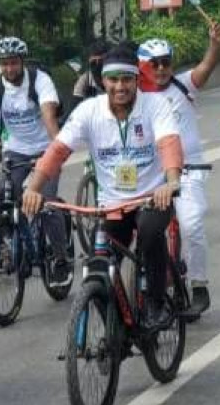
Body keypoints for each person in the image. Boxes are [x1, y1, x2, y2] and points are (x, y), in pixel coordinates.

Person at [22, 46, 183, 329]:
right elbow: (58, 149)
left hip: (152, 198)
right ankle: (114, 331)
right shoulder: (89, 110)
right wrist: (34, 188)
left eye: (126, 79)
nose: (120, 86)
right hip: (112, 205)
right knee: (100, 265)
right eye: (113, 80)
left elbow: (168, 142)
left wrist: (170, 183)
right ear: (103, 82)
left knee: (149, 234)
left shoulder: (155, 106)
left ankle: (156, 301)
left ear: (136, 80)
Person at [0, 36, 71, 286]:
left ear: (22, 61)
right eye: (4, 64)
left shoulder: (40, 80)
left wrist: (58, 149)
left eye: (14, 63)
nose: (9, 69)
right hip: (15, 150)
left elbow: (49, 116)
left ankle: (61, 258)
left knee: (46, 203)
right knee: (5, 200)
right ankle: (11, 246)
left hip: (45, 150)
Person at [138, 22, 220, 316]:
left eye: (166, 62)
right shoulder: (134, 94)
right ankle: (150, 288)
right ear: (142, 66)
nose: (161, 69)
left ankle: (199, 285)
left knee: (192, 225)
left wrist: (214, 44)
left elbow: (207, 65)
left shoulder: (184, 84)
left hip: (189, 169)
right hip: (152, 175)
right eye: (154, 64)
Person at [71, 39, 112, 105]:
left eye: (101, 61)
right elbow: (74, 107)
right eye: (93, 62)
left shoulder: (117, 78)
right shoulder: (86, 79)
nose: (97, 65)